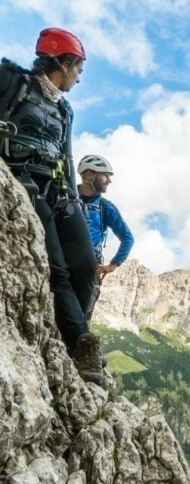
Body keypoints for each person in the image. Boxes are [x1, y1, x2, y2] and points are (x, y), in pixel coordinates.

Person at [0, 28, 105, 385]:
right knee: (56, 265)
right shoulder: (12, 81)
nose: (79, 77)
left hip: (58, 189)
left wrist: (72, 201)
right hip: (22, 181)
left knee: (87, 267)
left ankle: (75, 330)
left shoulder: (65, 109)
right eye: (78, 69)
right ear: (63, 62)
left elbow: (67, 154)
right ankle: (81, 343)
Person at [77, 154, 134, 319]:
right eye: (105, 175)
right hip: (63, 265)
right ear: (89, 175)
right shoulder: (66, 196)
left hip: (89, 269)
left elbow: (127, 237)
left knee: (81, 319)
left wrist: (113, 265)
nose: (109, 180)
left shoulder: (105, 207)